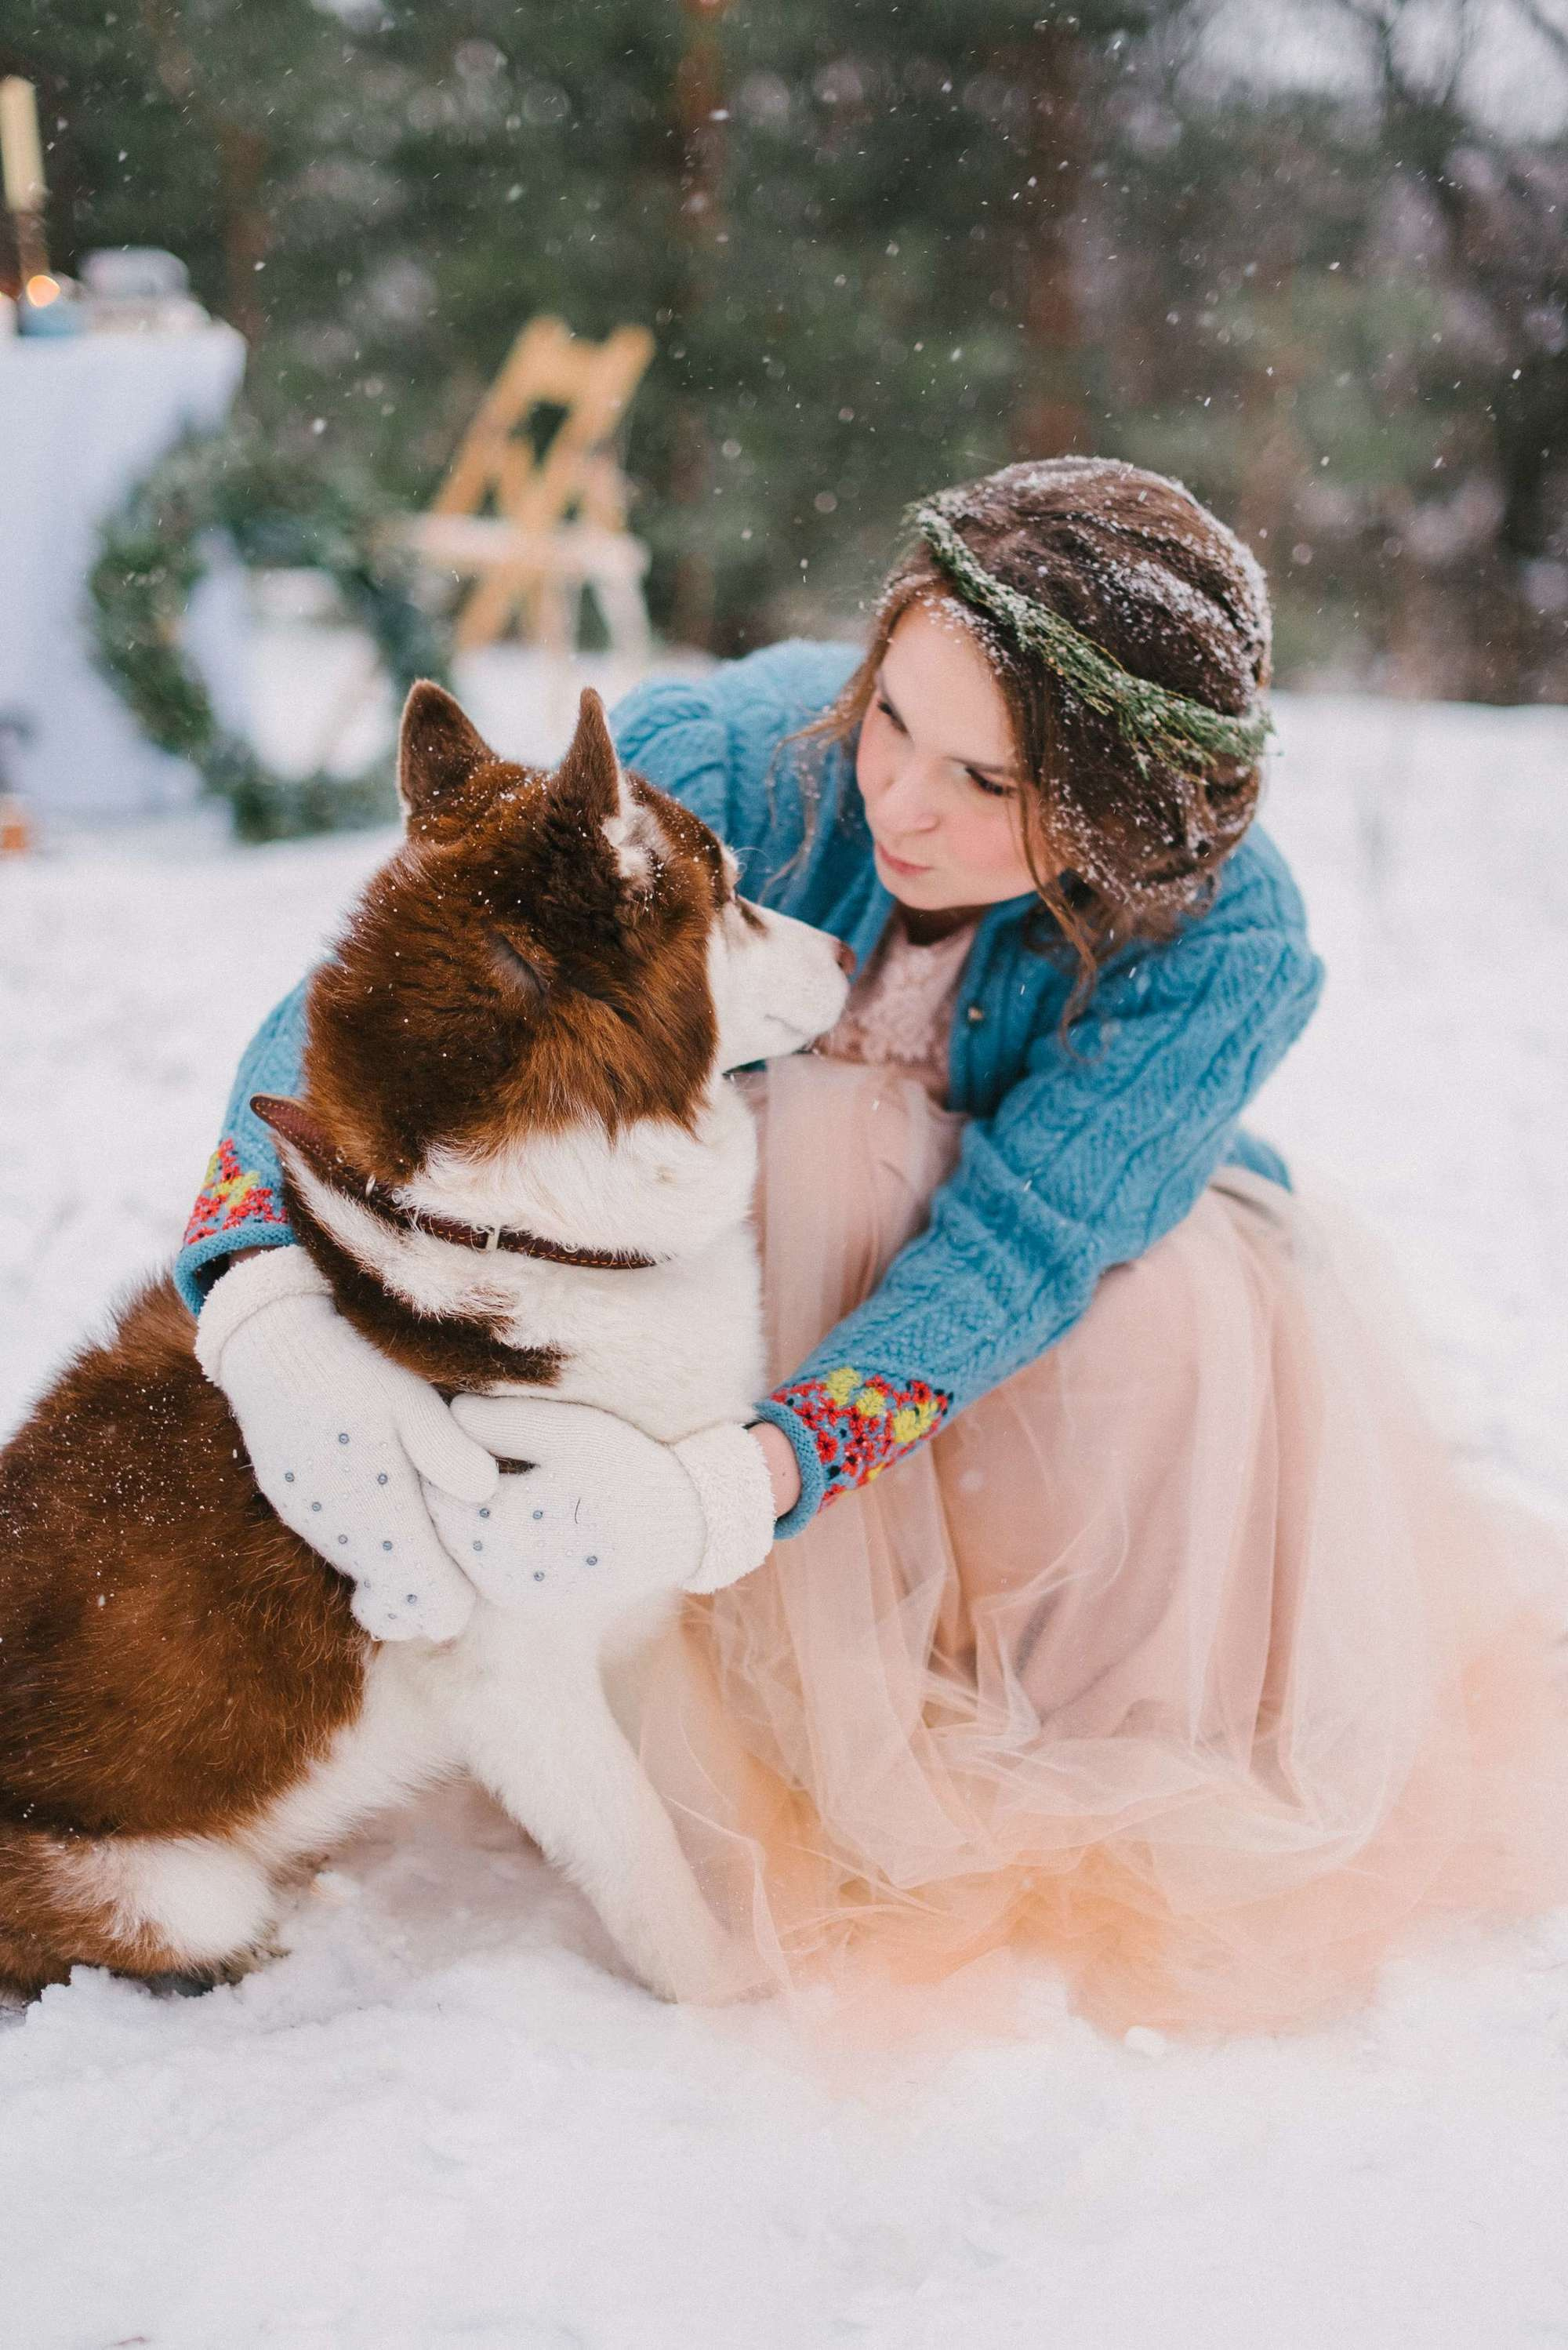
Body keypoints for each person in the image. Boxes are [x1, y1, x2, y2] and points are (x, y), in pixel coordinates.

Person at [179, 458, 1568, 2036]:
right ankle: (736, 1683)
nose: (903, 799)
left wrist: (742, 1480)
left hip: (1070, 1287)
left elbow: (1023, 1246)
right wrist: (258, 1290)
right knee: (799, 1143)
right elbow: (377, 1009)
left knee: (1098, 1280)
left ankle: (988, 1664)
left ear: (1123, 811)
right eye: (894, 718)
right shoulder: (726, 760)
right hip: (733, 1271)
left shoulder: (1227, 942)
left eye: (990, 785)